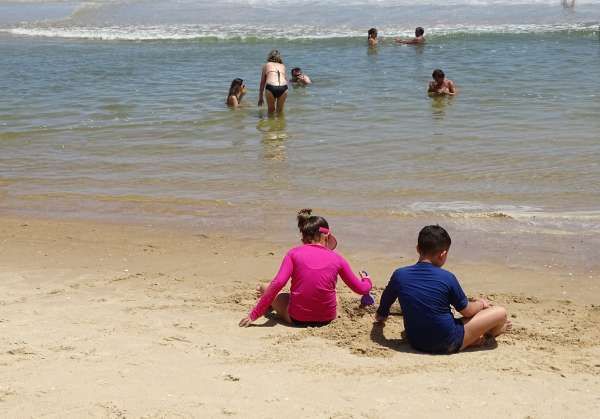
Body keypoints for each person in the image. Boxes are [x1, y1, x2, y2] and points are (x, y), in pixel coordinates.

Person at [375, 225, 511, 354]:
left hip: (415, 341)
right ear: (443, 254)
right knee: (501, 313)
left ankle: (474, 337)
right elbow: (467, 311)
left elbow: (386, 302)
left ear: (417, 248)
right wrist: (481, 304)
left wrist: (381, 316)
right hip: (448, 343)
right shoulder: (447, 277)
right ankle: (486, 336)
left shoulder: (399, 275)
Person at [239, 209, 373, 328]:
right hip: (327, 319)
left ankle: (266, 299)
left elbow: (278, 283)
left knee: (265, 287)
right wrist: (367, 280)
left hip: (297, 318)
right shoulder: (338, 258)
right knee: (334, 295)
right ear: (325, 235)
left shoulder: (293, 254)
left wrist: (254, 315)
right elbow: (361, 289)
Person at [258, 49, 288, 114]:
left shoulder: (266, 65)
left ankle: (271, 124)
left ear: (269, 56)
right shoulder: (283, 66)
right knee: (280, 112)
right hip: (283, 87)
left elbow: (262, 82)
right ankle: (280, 124)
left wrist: (260, 97)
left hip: (271, 87)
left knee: (271, 111)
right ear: (280, 57)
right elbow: (286, 80)